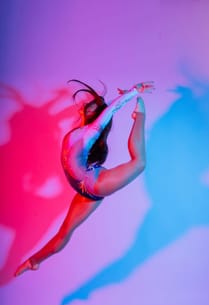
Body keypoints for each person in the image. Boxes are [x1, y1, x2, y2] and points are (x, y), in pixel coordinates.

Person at [14, 79, 155, 276]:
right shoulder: (79, 132)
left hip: (96, 184)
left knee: (139, 163)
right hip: (84, 190)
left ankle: (140, 114)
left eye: (95, 109)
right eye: (89, 107)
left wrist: (133, 93)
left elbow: (110, 111)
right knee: (64, 232)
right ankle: (33, 261)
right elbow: (68, 114)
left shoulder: (91, 132)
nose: (88, 108)